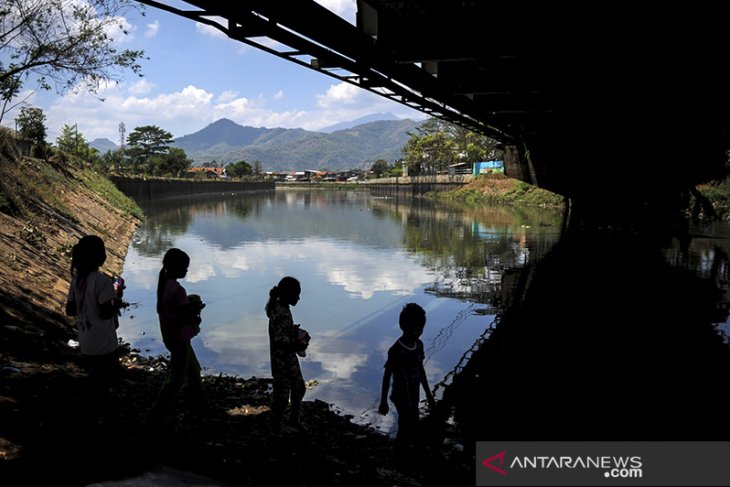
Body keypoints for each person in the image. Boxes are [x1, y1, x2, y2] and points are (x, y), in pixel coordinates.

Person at [150, 248, 206, 420]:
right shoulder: (177, 290)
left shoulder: (164, 285)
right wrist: (196, 311)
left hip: (172, 336)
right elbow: (183, 317)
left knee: (194, 369)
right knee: (176, 377)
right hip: (179, 338)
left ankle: (200, 405)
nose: (187, 271)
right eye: (185, 267)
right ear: (176, 268)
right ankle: (158, 411)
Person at [65, 235, 124, 392]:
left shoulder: (76, 280)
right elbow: (106, 313)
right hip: (104, 344)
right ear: (100, 257)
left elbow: (69, 310)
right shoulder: (102, 281)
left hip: (85, 342)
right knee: (108, 381)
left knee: (93, 380)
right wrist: (117, 298)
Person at [378, 302, 436, 449]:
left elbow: (421, 370)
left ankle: (405, 448)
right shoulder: (396, 350)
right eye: (417, 329)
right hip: (401, 395)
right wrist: (383, 401)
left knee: (411, 422)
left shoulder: (419, 345)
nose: (419, 332)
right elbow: (387, 375)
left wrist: (429, 395)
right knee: (406, 422)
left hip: (414, 393)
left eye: (420, 329)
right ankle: (401, 451)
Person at [265, 276, 309, 429]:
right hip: (282, 360)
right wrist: (298, 344)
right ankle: (277, 424)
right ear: (288, 295)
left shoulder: (279, 307)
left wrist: (294, 332)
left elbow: (281, 332)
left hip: (285, 359)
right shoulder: (282, 313)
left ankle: (290, 421)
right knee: (283, 395)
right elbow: (279, 341)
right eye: (297, 294)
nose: (298, 297)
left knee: (297, 388)